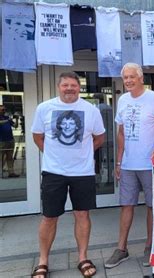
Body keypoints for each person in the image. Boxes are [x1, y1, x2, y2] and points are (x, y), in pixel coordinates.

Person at [31, 72, 105, 278]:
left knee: (82, 214)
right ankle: (43, 261)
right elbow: (37, 137)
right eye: (66, 85)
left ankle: (83, 257)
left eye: (74, 85)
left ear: (79, 88)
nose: (70, 88)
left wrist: (82, 154)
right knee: (49, 217)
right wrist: (55, 154)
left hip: (83, 173)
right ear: (59, 87)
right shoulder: (44, 108)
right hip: (53, 172)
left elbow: (99, 138)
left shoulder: (90, 110)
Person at [105, 63, 154, 269]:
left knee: (151, 206)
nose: (128, 81)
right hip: (129, 164)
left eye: (132, 77)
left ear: (141, 78)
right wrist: (119, 160)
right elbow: (121, 133)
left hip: (150, 164)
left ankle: (150, 246)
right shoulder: (122, 100)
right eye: (125, 77)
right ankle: (122, 248)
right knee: (126, 205)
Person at [0, 105, 19, 178]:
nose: (3, 111)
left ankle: (11, 172)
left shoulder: (7, 118)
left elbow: (15, 126)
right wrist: (8, 120)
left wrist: (16, 119)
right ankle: (0, 172)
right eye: (2, 110)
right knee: (1, 157)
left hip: (10, 140)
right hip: (1, 141)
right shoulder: (6, 119)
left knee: (10, 157)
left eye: (4, 110)